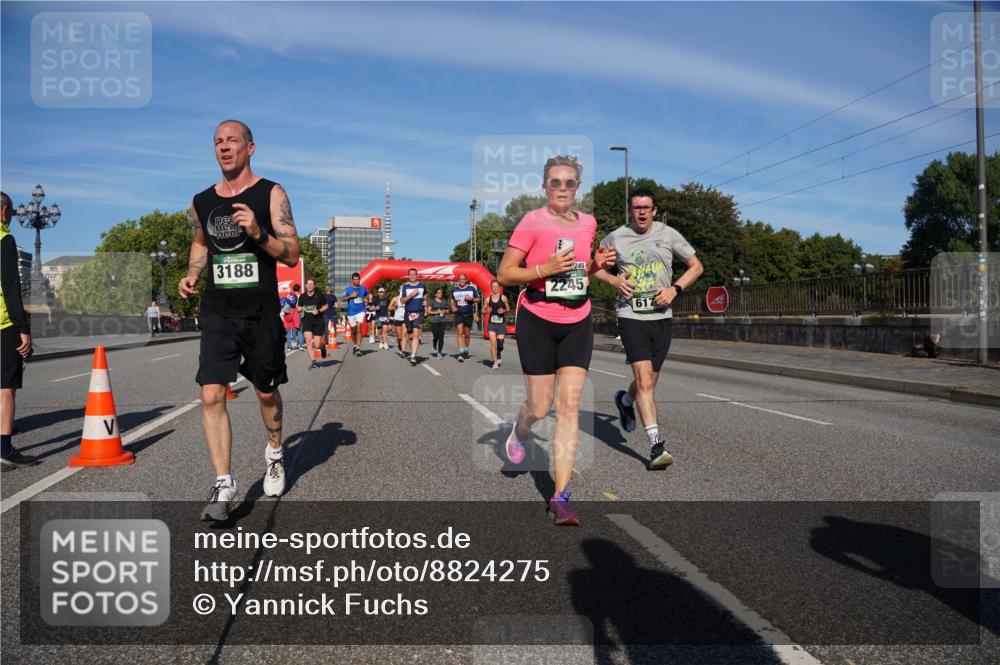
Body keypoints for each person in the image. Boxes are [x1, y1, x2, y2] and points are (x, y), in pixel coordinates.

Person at [178, 119, 300, 521]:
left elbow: (292, 254)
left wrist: (259, 232)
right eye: (217, 142)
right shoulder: (202, 201)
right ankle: (224, 483)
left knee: (266, 392)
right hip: (218, 311)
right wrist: (194, 272)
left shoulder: (271, 192)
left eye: (232, 141)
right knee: (212, 394)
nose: (224, 147)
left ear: (250, 147)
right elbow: (200, 242)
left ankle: (275, 452)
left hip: (260, 312)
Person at [497, 155, 615, 526]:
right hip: (537, 317)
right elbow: (504, 274)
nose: (562, 189)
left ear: (578, 187)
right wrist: (542, 269)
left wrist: (597, 263)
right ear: (544, 187)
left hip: (577, 318)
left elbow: (581, 271)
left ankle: (561, 497)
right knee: (539, 405)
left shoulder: (589, 223)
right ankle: (521, 427)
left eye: (569, 183)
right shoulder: (532, 221)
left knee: (568, 408)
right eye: (555, 183)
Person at [594, 189, 703, 470]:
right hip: (630, 315)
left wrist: (674, 289)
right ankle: (656, 447)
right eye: (636, 207)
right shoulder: (616, 237)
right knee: (644, 379)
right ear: (630, 210)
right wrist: (613, 280)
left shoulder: (668, 234)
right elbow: (593, 266)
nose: (641, 212)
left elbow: (696, 266)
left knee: (649, 384)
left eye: (647, 207)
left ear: (654, 210)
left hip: (661, 315)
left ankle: (625, 400)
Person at [0, 191, 37, 470]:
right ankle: (4, 450)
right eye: (11, 212)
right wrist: (23, 328)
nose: (12, 217)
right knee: (5, 390)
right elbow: (11, 288)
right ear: (3, 212)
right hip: (3, 324)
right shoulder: (5, 240)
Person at [297, 279, 328, 368]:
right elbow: (299, 307)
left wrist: (318, 311)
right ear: (306, 285)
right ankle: (314, 362)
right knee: (309, 341)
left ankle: (322, 347)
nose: (310, 286)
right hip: (307, 321)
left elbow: (326, 306)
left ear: (314, 286)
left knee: (317, 345)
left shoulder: (320, 296)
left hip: (318, 321)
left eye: (312, 284)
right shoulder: (302, 296)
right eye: (308, 284)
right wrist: (299, 309)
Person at [450, 273, 480, 362]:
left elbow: (478, 299)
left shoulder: (471, 288)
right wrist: (452, 306)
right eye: (460, 279)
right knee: (459, 332)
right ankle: (461, 352)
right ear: (458, 280)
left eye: (463, 279)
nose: (461, 281)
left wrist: (471, 299)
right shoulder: (454, 289)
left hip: (469, 314)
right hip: (459, 314)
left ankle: (466, 350)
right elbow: (452, 298)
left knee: (467, 334)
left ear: (466, 280)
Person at [400, 268, 426, 366]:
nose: (412, 276)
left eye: (414, 274)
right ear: (408, 276)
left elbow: (425, 295)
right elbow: (402, 301)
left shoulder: (422, 285)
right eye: (410, 274)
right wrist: (411, 295)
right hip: (408, 314)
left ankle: (413, 356)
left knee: (416, 334)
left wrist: (424, 301)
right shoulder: (405, 287)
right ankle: (412, 352)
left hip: (419, 313)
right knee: (410, 336)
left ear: (417, 275)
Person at [483, 280, 510, 370]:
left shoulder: (503, 298)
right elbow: (482, 311)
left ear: (499, 287)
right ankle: (495, 362)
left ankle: (498, 353)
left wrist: (504, 310)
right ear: (491, 288)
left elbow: (508, 308)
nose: (495, 288)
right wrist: (487, 311)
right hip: (492, 324)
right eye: (493, 286)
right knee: (493, 343)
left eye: (496, 286)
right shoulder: (487, 299)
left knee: (500, 344)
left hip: (501, 324)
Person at [342, 272, 369, 357]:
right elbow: (343, 299)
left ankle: (358, 347)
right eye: (355, 279)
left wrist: (366, 300)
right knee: (353, 331)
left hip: (361, 311)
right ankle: (354, 345)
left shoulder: (363, 288)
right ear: (352, 280)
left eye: (358, 279)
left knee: (358, 328)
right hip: (351, 312)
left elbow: (366, 296)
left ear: (359, 280)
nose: (357, 281)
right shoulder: (348, 289)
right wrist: (351, 296)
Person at [426, 287, 449, 358]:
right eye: (439, 293)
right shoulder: (432, 301)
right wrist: (436, 312)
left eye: (441, 293)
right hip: (434, 321)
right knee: (436, 336)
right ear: (435, 294)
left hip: (442, 320)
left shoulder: (444, 301)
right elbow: (428, 311)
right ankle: (434, 341)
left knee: (441, 337)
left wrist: (445, 311)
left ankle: (439, 352)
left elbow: (447, 311)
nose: (440, 294)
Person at [389, 289, 407, 356]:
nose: (402, 290)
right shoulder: (395, 299)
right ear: (398, 291)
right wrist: (394, 306)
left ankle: (403, 351)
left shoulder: (407, 298)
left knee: (404, 335)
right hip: (397, 319)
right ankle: (399, 345)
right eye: (401, 289)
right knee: (399, 337)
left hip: (405, 319)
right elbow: (389, 308)